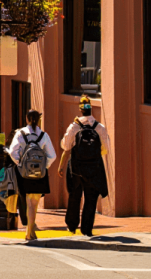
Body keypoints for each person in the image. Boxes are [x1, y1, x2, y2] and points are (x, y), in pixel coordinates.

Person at [59, 96, 110, 237]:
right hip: (94, 169)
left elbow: (65, 145)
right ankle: (86, 229)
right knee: (91, 198)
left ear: (80, 109)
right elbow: (105, 149)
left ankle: (72, 225)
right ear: (91, 109)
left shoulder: (74, 127)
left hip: (76, 169)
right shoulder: (100, 128)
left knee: (74, 196)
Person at [8, 109, 57, 241]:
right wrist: (44, 167)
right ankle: (30, 231)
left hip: (24, 173)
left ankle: (29, 231)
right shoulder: (43, 135)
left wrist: (20, 163)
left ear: (27, 119)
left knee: (29, 202)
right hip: (40, 174)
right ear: (38, 120)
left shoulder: (20, 133)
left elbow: (13, 152)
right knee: (34, 203)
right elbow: (52, 155)